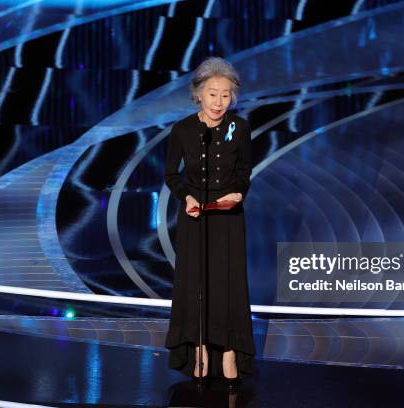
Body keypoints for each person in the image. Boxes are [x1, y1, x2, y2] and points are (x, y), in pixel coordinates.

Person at [163, 56, 256, 388]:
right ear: (198, 94)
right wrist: (186, 196)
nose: (219, 101)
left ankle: (230, 351)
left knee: (227, 284)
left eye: (226, 94)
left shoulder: (240, 128)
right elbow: (171, 174)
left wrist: (239, 193)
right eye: (213, 93)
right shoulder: (183, 130)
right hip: (195, 215)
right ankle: (198, 348)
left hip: (228, 217)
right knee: (196, 284)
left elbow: (244, 172)